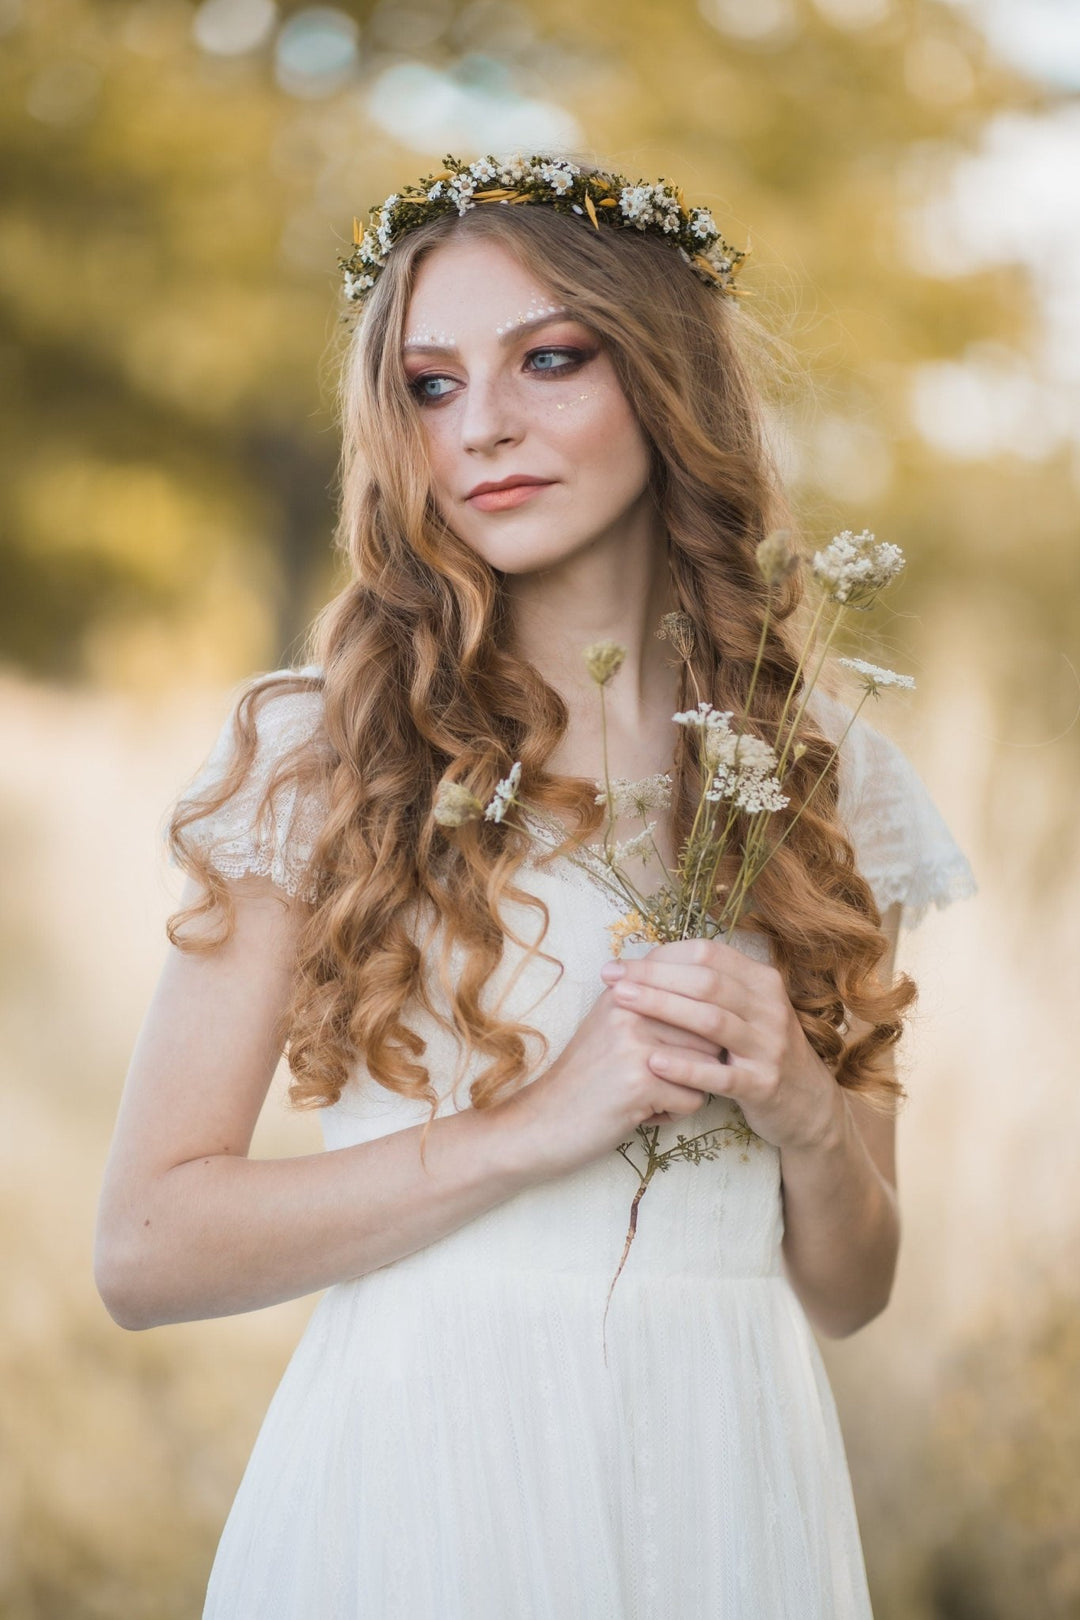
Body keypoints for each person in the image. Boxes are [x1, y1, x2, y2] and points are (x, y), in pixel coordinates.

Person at [94, 151, 977, 1617]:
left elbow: (850, 1286)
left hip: (729, 1480)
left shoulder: (823, 773)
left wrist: (804, 1109)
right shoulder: (322, 753)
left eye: (549, 360)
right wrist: (539, 1125)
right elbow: (143, 1250)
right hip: (423, 1482)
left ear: (666, 380)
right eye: (430, 387)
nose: (484, 426)